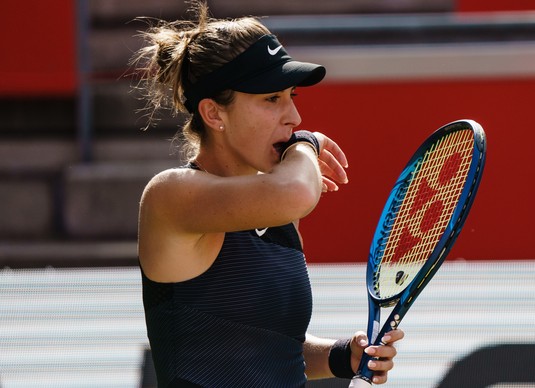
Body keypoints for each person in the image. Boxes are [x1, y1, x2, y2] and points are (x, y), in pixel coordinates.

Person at [134, 2, 404, 387]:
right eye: (271, 99)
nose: (294, 117)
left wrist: (342, 356)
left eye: (291, 95)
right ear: (214, 114)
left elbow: (271, 348)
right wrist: (306, 145)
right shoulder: (170, 196)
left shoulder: (275, 210)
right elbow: (296, 191)